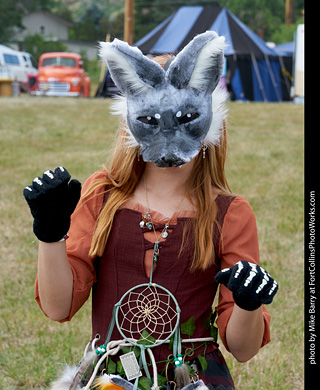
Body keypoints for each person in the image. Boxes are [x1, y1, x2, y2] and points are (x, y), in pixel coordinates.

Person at [23, 32, 278, 390]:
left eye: (187, 117)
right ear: (132, 121)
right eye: (152, 120)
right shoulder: (102, 196)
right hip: (109, 380)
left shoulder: (229, 214)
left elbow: (243, 348)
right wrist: (50, 235)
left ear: (210, 119)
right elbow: (57, 307)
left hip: (193, 379)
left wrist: (249, 305)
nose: (170, 135)